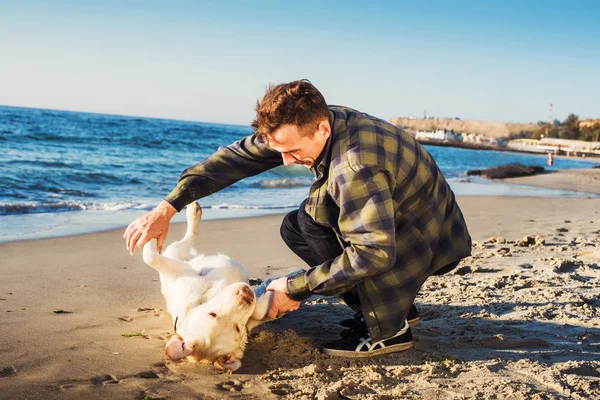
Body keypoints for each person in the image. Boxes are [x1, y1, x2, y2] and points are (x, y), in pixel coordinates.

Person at [124, 79, 472, 357]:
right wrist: (168, 207)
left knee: (318, 229)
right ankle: (396, 303)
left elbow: (374, 253)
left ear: (321, 130)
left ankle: (390, 328)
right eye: (279, 150)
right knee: (301, 225)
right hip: (412, 221)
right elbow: (234, 159)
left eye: (292, 151)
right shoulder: (318, 122)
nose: (286, 161)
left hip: (426, 240)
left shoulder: (354, 167)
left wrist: (295, 288)